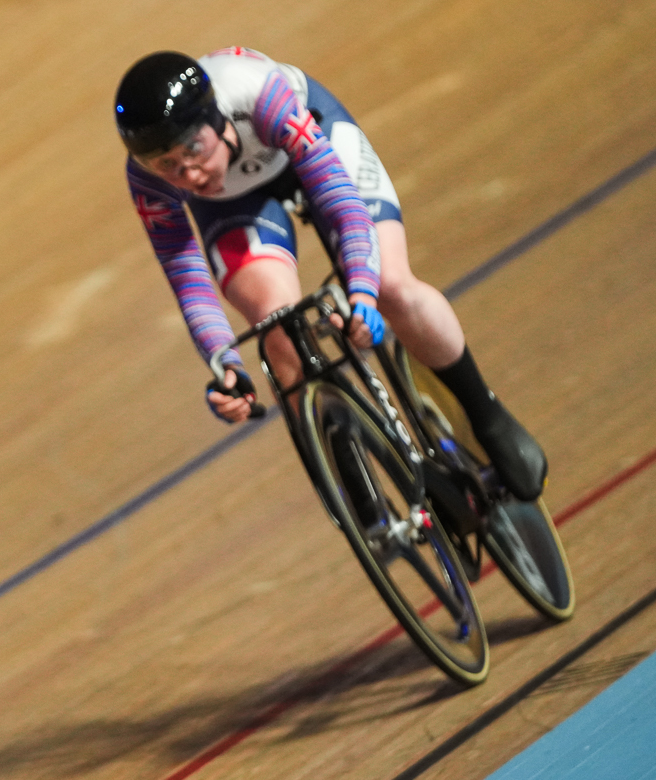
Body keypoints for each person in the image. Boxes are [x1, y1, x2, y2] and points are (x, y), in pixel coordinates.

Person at [116, 47, 547, 499]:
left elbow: (346, 210)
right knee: (275, 327)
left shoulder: (258, 95)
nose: (187, 172)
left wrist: (362, 292)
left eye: (193, 150)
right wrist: (225, 365)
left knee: (392, 287)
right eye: (167, 166)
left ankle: (487, 414)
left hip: (314, 140)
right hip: (234, 204)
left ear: (218, 119)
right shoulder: (148, 180)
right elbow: (187, 277)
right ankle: (359, 495)